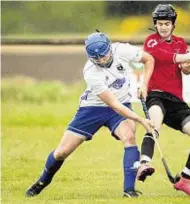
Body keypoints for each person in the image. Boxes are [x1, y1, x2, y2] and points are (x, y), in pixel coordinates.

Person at [25, 31, 155, 198]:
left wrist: (144, 85)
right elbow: (113, 104)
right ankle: (41, 182)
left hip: (122, 103)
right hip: (92, 108)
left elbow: (149, 59)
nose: (101, 60)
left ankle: (129, 191)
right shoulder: (91, 72)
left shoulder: (122, 50)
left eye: (104, 56)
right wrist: (140, 119)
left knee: (129, 137)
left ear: (110, 48)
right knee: (62, 152)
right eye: (96, 58)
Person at [136, 4, 190, 198]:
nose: (163, 27)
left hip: (176, 101)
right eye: (160, 23)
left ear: (173, 24)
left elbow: (184, 69)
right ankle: (144, 163)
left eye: (166, 23)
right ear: (155, 24)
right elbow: (165, 57)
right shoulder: (151, 42)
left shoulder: (180, 42)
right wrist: (188, 57)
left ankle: (185, 180)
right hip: (156, 95)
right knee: (153, 124)